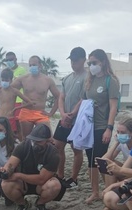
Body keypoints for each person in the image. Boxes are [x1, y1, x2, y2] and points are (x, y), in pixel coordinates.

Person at [76, 49, 119, 204]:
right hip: (88, 126)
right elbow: (82, 102)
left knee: (101, 159)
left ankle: (109, 189)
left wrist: (109, 127)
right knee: (90, 159)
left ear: (103, 62)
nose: (92, 66)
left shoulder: (110, 80)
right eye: (90, 63)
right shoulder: (89, 81)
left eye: (94, 62)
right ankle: (95, 192)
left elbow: (113, 107)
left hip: (102, 125)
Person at [0, 124, 65, 210]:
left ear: (47, 140)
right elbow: (11, 164)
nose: (35, 143)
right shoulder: (23, 146)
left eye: (39, 141)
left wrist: (18, 175)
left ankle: (40, 203)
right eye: (33, 140)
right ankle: (22, 204)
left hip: (41, 184)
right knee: (5, 183)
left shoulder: (53, 153)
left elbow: (42, 179)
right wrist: (4, 172)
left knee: (55, 185)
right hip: (23, 184)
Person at [54, 47, 88, 189]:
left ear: (83, 60)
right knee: (57, 147)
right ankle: (60, 175)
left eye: (76, 61)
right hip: (64, 119)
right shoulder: (67, 78)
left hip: (78, 120)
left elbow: (84, 98)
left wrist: (73, 113)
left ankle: (74, 178)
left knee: (76, 149)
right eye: (72, 61)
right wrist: (62, 114)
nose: (73, 64)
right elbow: (61, 97)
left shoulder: (87, 77)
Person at [94, 114, 132, 210]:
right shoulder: (122, 142)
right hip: (125, 171)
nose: (119, 134)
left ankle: (109, 203)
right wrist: (116, 142)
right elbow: (103, 161)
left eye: (122, 132)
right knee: (108, 165)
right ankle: (109, 204)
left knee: (111, 166)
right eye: (118, 132)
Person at [12, 55, 60, 140]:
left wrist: (51, 113)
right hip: (26, 112)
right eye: (30, 65)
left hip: (40, 113)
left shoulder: (47, 80)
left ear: (40, 65)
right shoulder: (23, 79)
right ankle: (26, 153)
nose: (32, 67)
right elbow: (9, 90)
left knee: (48, 139)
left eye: (34, 65)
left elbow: (58, 96)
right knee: (26, 139)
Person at [3, 52, 29, 140]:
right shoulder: (6, 71)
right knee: (10, 125)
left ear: (15, 59)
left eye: (11, 59)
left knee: (19, 125)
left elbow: (23, 86)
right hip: (9, 101)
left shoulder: (22, 71)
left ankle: (21, 143)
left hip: (18, 101)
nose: (9, 61)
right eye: (7, 60)